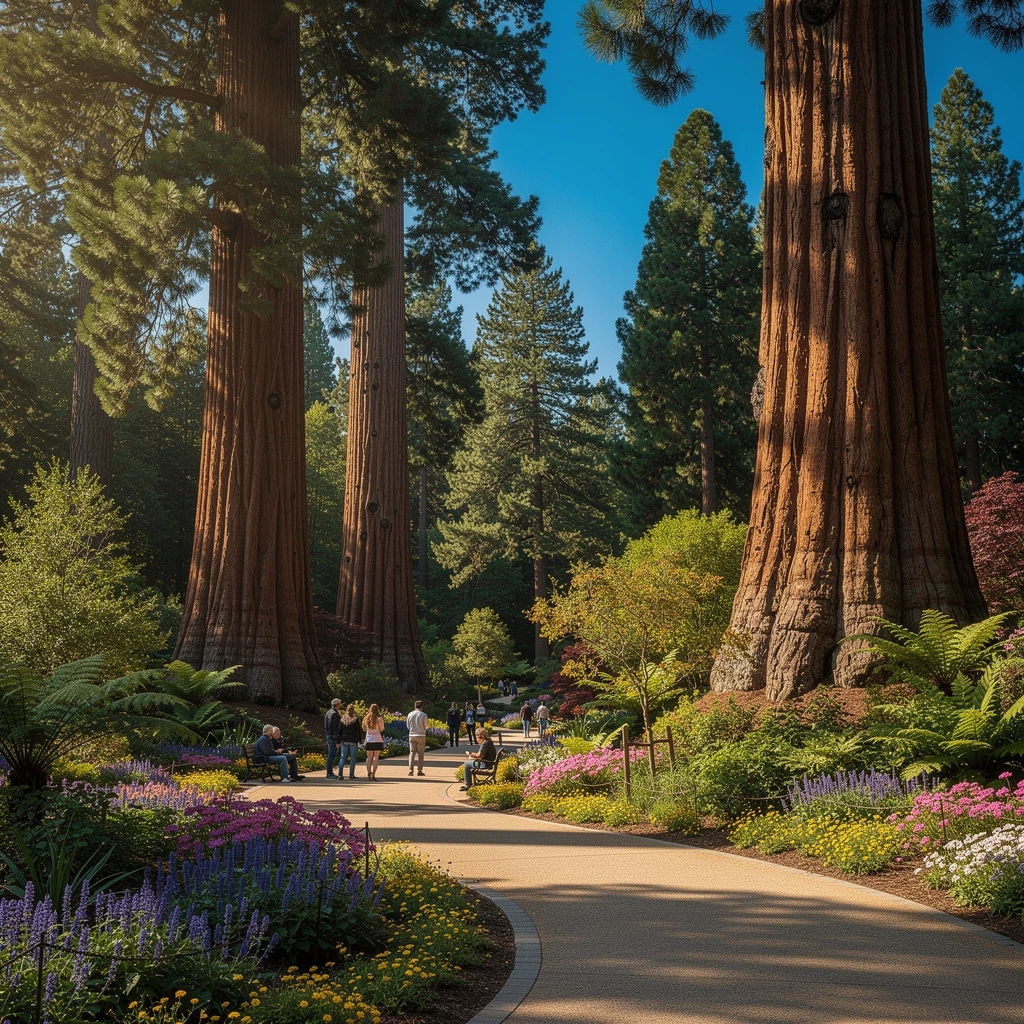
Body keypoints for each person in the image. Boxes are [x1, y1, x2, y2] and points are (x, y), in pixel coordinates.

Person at [339, 704, 362, 780]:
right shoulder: (355, 720)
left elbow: (340, 731)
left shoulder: (343, 719)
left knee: (343, 757)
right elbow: (358, 731)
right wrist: (360, 740)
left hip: (344, 740)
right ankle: (351, 775)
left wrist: (339, 740)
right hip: (353, 740)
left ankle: (340, 774)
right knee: (352, 758)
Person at [363, 704, 386, 779]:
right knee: (376, 758)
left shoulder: (367, 718)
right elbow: (382, 729)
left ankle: (369, 772)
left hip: (369, 739)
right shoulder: (379, 719)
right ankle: (374, 775)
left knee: (369, 757)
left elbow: (364, 728)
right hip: (377, 739)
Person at [406, 700, 428, 776]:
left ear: (415, 706)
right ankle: (419, 770)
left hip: (412, 735)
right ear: (422, 706)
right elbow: (426, 725)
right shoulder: (424, 715)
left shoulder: (410, 714)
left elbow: (408, 726)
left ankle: (410, 770)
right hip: (421, 735)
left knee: (412, 753)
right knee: (420, 754)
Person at [325, 698, 342, 778]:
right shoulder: (335, 714)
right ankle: (329, 773)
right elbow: (335, 728)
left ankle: (329, 772)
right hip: (333, 737)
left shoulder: (328, 712)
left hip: (328, 735)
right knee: (332, 755)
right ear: (337, 704)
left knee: (330, 754)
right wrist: (337, 740)